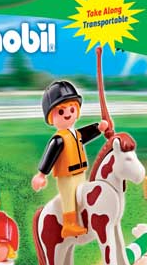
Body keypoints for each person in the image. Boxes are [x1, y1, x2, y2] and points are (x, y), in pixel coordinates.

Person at [31, 80, 108, 238]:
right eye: (61, 111)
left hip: (80, 172)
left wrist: (98, 128)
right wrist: (41, 174)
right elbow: (50, 156)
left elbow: (85, 134)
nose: (67, 114)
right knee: (69, 198)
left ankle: (85, 217)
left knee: (82, 194)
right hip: (66, 176)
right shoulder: (58, 139)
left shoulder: (75, 134)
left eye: (72, 109)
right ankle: (69, 224)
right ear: (51, 117)